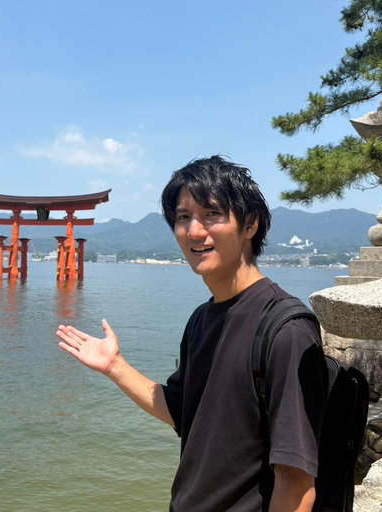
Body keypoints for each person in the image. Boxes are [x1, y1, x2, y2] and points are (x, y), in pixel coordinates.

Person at [56, 156, 327, 512]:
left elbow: (295, 487)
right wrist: (114, 367)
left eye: (212, 214)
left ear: (250, 224)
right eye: (183, 217)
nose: (194, 231)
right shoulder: (201, 319)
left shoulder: (285, 330)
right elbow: (183, 413)